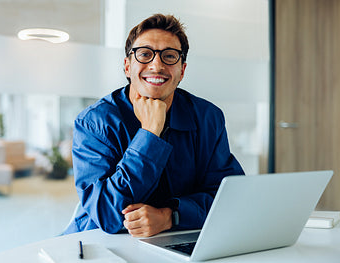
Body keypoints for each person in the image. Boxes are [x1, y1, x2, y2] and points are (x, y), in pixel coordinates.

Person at [63, 14, 244, 237]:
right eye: (145, 54)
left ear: (182, 71)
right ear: (127, 66)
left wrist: (170, 216)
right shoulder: (94, 123)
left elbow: (231, 199)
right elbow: (107, 215)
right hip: (98, 244)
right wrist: (149, 134)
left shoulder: (208, 117)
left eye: (169, 56)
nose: (157, 65)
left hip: (181, 238)